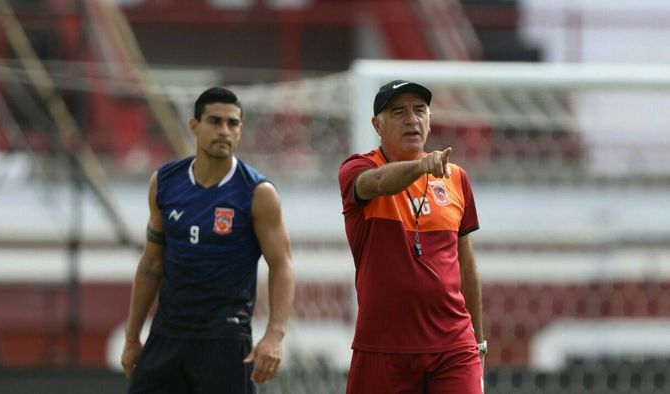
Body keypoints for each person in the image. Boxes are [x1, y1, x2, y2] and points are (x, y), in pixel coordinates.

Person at [121, 87, 295, 394]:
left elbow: (281, 265)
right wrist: (133, 337)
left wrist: (275, 335)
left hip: (225, 339)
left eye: (233, 124)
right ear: (194, 126)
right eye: (215, 121)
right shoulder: (164, 182)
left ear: (240, 130)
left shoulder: (257, 193)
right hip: (168, 334)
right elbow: (151, 263)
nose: (224, 131)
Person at [338, 80, 486, 394]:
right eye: (398, 112)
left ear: (430, 119)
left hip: (453, 347)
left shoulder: (456, 178)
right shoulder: (357, 168)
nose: (412, 119)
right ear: (377, 125)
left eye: (419, 110)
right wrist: (419, 168)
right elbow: (378, 182)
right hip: (383, 347)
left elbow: (467, 267)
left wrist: (479, 342)